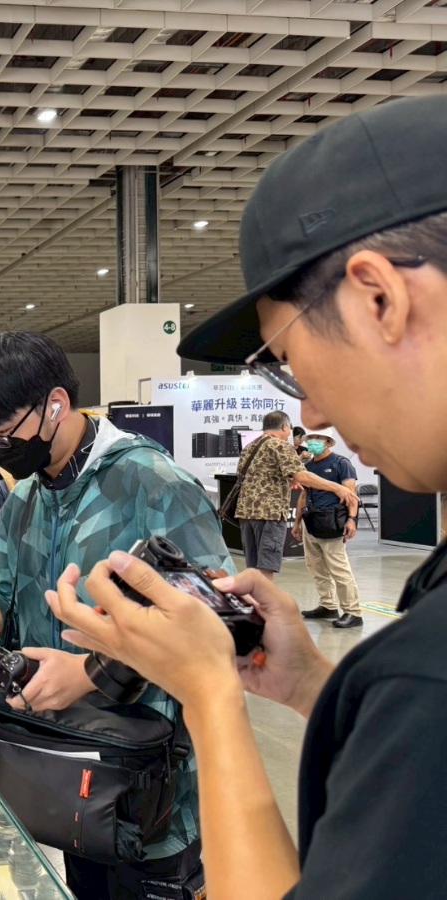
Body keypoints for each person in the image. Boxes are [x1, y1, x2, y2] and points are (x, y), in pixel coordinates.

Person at [46, 94, 447, 899]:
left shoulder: (427, 674)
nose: (312, 413)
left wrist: (209, 694)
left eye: (289, 363)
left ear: (379, 298)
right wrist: (308, 685)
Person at [0, 331, 233, 899]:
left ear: (55, 405)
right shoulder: (25, 500)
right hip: (64, 771)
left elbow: (218, 625)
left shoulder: (152, 484)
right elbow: (6, 604)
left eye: (3, 434)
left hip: (149, 788)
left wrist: (88, 674)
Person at [233, 411, 354, 581]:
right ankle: (265, 599)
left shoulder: (250, 447)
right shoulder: (280, 445)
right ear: (284, 426)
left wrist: (285, 481)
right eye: (289, 429)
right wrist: (337, 488)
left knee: (253, 568)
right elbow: (303, 476)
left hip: (247, 514)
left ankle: (254, 598)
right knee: (266, 567)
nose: (290, 433)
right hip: (270, 514)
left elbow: (254, 476)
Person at [292, 433, 363, 629]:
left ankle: (353, 612)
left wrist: (351, 520)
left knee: (338, 568)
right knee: (316, 566)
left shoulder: (341, 463)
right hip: (311, 521)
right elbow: (303, 495)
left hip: (332, 521)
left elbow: (351, 494)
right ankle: (328, 605)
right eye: (310, 438)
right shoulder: (308, 467)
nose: (313, 441)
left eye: (318, 438)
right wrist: (297, 522)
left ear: (328, 442)